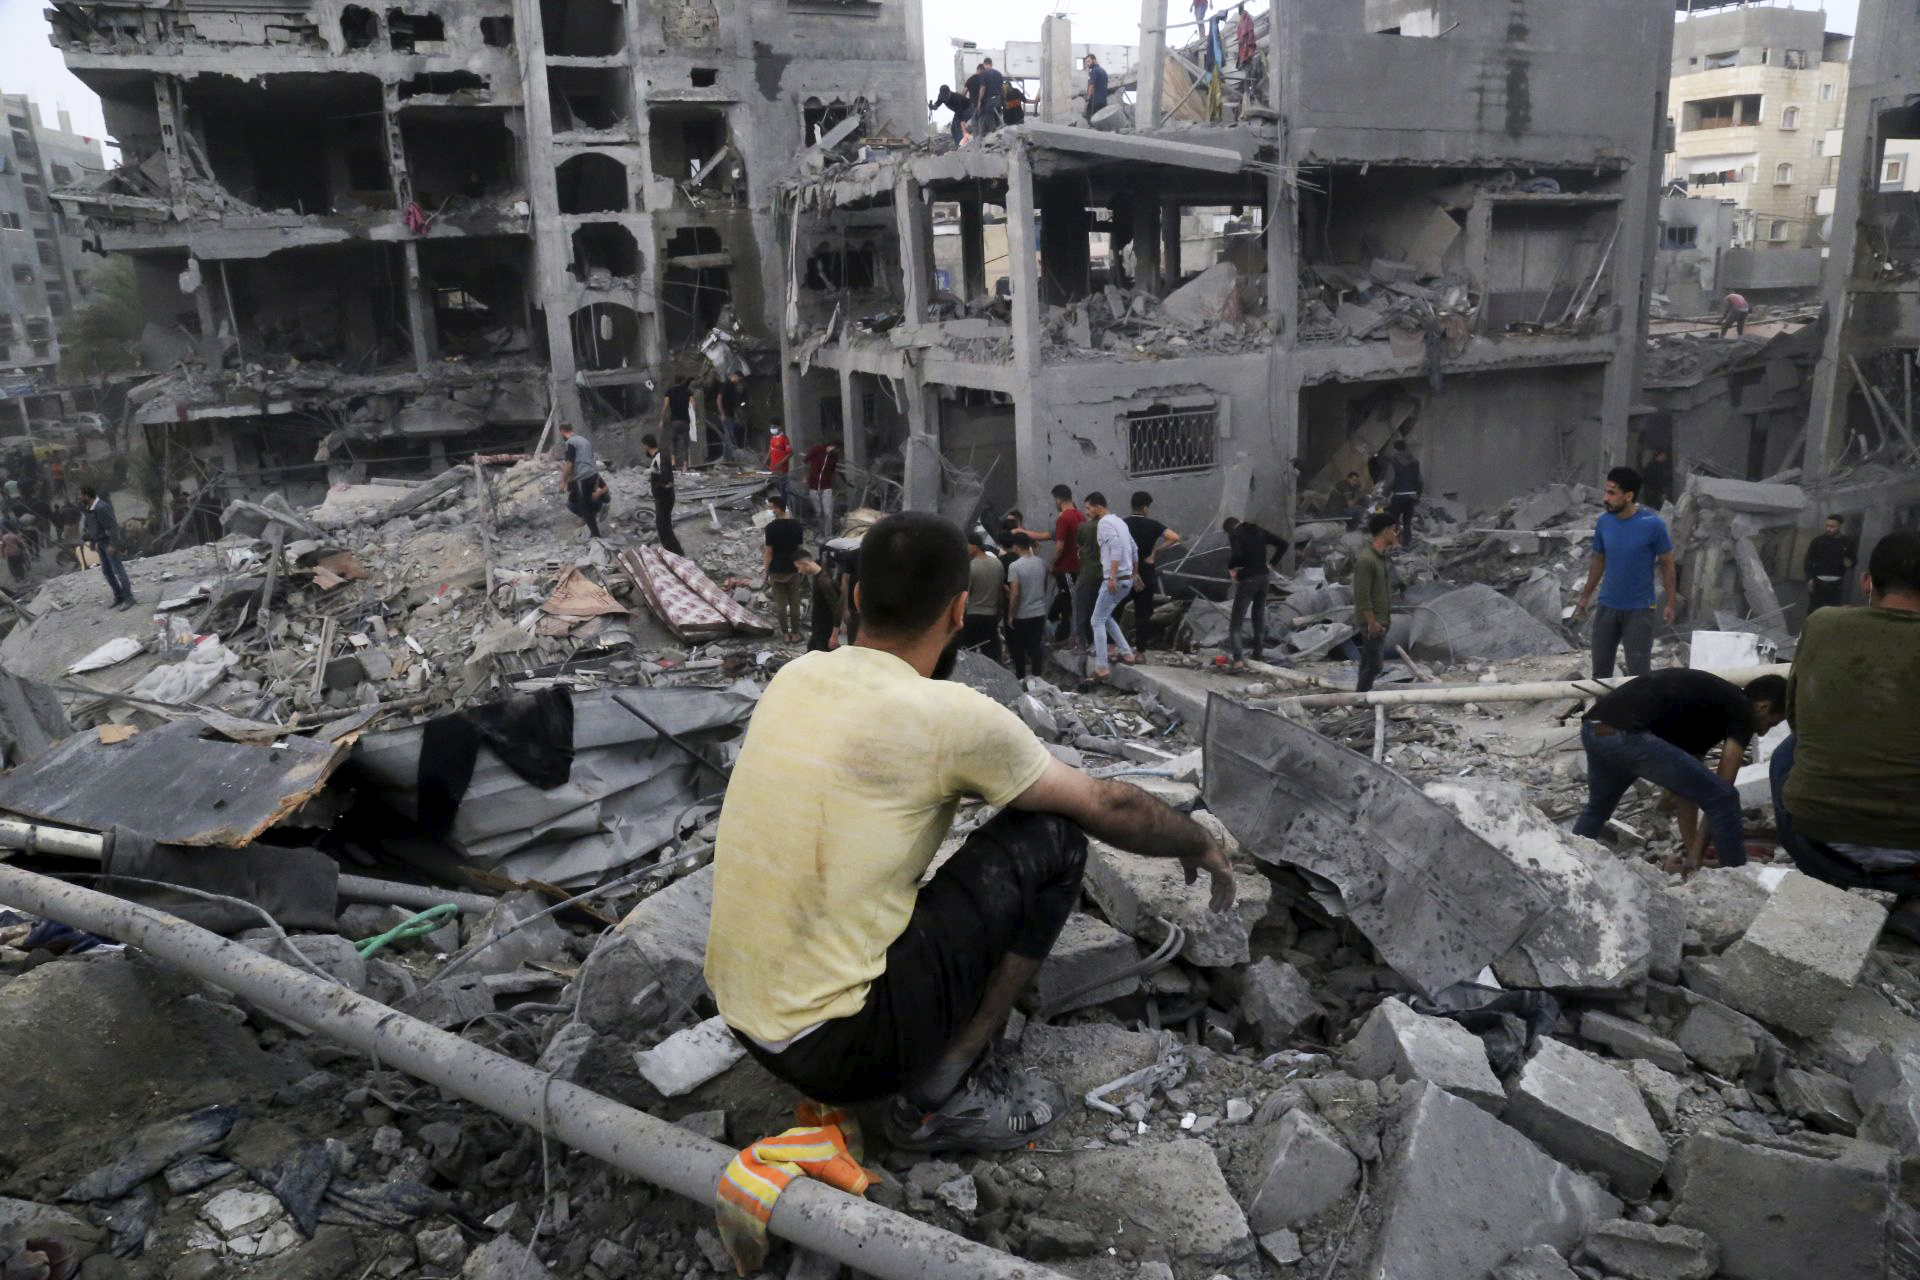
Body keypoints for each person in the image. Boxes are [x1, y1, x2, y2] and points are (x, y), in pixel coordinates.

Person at [703, 510, 1236, 1151]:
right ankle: (941, 1095)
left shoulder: (795, 676)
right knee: (1055, 838)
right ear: (960, 609)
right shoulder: (950, 715)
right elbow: (1108, 805)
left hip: (744, 1020)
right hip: (842, 1052)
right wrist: (1197, 840)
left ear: (855, 594)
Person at [1770, 531, 1920, 939]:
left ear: (1867, 582)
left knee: (1787, 753)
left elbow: (1798, 721)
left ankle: (1832, 888)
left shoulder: (1823, 624)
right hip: (1913, 864)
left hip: (1819, 848)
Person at [1573, 669, 1784, 875]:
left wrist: (1694, 854)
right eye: (1771, 723)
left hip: (1595, 728)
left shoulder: (1711, 705)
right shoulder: (1743, 711)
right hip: (1626, 734)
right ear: (1763, 707)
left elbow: (1686, 791)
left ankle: (1572, 865)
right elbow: (1723, 792)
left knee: (1597, 810)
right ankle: (1738, 879)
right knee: (1724, 798)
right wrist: (1701, 853)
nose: (1763, 732)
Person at [1574, 467, 1677, 679]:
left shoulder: (1653, 525)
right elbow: (1599, 560)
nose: (1605, 498)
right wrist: (1584, 597)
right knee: (1600, 675)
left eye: (1612, 493)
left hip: (1639, 610)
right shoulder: (1604, 522)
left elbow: (1667, 564)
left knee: (1638, 676)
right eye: (1606, 491)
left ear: (1629, 496)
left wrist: (1671, 602)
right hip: (1607, 607)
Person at [1019, 485, 1083, 643]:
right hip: (1077, 567)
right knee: (1066, 600)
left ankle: (1071, 637)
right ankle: (1063, 634)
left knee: (1069, 602)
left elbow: (1059, 547)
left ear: (1058, 498)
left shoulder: (1063, 518)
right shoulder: (1080, 516)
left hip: (1066, 568)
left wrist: (1051, 564)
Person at [1222, 516, 1286, 671]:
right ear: (1239, 521)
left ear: (1229, 530)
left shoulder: (1235, 534)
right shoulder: (1258, 530)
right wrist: (1272, 564)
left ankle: (1238, 661)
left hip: (1248, 580)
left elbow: (1237, 556)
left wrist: (1232, 568)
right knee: (1258, 619)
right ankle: (1258, 655)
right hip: (1264, 578)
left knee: (1236, 623)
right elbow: (1283, 544)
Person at [1085, 493, 1137, 680]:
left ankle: (1101, 667)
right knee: (1104, 617)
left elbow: (1117, 547)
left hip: (1114, 579)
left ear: (1098, 507)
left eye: (1088, 508)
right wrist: (1135, 573)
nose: (1087, 512)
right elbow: (1134, 547)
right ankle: (1127, 653)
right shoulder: (1120, 522)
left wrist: (1112, 577)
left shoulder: (1104, 523)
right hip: (1126, 578)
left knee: (1096, 621)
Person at [1123, 491, 1179, 651]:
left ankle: (1117, 647)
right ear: (1145, 508)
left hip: (1126, 571)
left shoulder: (1122, 524)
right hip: (1146, 571)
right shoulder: (1153, 525)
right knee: (1143, 612)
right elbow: (1174, 537)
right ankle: (1140, 651)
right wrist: (1156, 550)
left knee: (1118, 609)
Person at [1352, 513, 1398, 693]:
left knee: (1367, 662)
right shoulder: (1366, 560)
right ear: (1385, 531)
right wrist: (1372, 622)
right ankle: (1360, 701)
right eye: (1393, 530)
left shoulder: (1380, 558)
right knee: (1375, 665)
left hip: (1380, 620)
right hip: (1373, 622)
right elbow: (1362, 595)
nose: (1395, 534)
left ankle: (1359, 698)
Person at [78, 485, 133, 610]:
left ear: (87, 496)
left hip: (108, 542)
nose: (79, 498)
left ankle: (128, 598)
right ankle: (119, 596)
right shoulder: (91, 508)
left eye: (80, 495)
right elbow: (94, 528)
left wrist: (113, 544)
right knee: (107, 571)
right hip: (101, 543)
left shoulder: (101, 507)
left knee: (118, 571)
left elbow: (113, 527)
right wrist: (94, 543)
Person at [1005, 532, 1050, 680]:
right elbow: (1044, 584)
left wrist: (1011, 614)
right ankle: (1038, 677)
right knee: (1036, 646)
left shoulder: (1015, 566)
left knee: (1019, 648)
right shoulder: (1041, 563)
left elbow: (1015, 593)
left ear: (1016, 547)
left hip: (1022, 613)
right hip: (1039, 611)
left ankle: (1021, 678)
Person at [957, 532, 1007, 663]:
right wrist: (999, 611)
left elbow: (965, 595)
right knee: (991, 652)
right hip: (991, 615)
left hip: (973, 614)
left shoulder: (971, 567)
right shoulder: (997, 564)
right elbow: (1000, 591)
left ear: (974, 546)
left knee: (966, 652)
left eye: (967, 545)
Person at [763, 495, 806, 644]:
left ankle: (785, 634)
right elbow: (800, 548)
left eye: (771, 508)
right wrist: (802, 566)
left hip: (776, 570)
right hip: (793, 569)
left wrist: (766, 571)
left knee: (780, 605)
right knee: (794, 603)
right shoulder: (797, 525)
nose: (771, 511)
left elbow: (769, 552)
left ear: (778, 508)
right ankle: (796, 633)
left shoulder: (770, 528)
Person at [636, 435, 684, 556]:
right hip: (664, 497)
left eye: (643, 446)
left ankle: (675, 553)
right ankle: (674, 552)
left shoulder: (659, 457)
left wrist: (660, 489)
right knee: (664, 526)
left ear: (646, 445)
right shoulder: (660, 456)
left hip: (664, 498)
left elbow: (666, 478)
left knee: (664, 528)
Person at [1803, 513, 1855, 617]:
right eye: (1827, 525)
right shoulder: (1818, 541)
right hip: (1818, 582)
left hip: (1836, 584)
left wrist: (1848, 563)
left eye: (1832, 526)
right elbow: (1808, 560)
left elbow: (1853, 561)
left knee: (1832, 612)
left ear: (1840, 526)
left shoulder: (1846, 542)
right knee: (1813, 611)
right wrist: (1810, 578)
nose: (1828, 529)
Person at [559, 423, 602, 539]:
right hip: (592, 474)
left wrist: (563, 481)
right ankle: (588, 515)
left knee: (585, 506)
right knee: (573, 500)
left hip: (583, 477)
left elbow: (569, 463)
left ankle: (596, 536)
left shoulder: (570, 443)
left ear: (562, 431)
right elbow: (590, 458)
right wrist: (570, 481)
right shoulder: (584, 440)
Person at [796, 551, 843, 653]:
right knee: (811, 651)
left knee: (822, 655)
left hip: (825, 628)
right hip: (817, 627)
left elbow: (837, 608)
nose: (799, 571)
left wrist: (834, 635)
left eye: (798, 567)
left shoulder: (825, 581)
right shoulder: (818, 574)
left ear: (805, 564)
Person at [1385, 439, 1422, 546]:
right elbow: (1420, 480)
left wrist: (1385, 494)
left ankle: (1394, 543)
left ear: (1395, 449)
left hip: (1398, 496)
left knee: (1393, 520)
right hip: (1411, 496)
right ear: (1405, 448)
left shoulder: (1393, 463)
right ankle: (1406, 543)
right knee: (1407, 521)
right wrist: (1418, 495)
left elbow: (1390, 481)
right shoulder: (1415, 462)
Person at [805, 442, 840, 541]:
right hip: (814, 486)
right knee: (819, 512)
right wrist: (806, 476)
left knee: (828, 512)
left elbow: (832, 471)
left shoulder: (834, 457)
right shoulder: (817, 450)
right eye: (832, 447)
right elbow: (805, 461)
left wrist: (833, 486)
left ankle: (828, 535)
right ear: (829, 445)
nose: (833, 450)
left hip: (826, 487)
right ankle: (822, 533)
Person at [967, 58, 1005, 138]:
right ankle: (1000, 136)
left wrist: (979, 101)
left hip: (989, 102)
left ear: (984, 64)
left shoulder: (984, 74)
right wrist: (1004, 100)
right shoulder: (999, 74)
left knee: (990, 123)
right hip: (998, 100)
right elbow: (1002, 88)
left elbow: (983, 88)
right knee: (998, 120)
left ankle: (993, 137)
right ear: (991, 64)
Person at [661, 375, 695, 461]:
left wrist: (662, 420)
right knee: (685, 443)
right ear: (682, 381)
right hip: (685, 420)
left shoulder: (669, 391)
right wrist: (693, 416)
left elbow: (665, 406)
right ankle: (685, 464)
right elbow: (693, 403)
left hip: (674, 421)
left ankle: (673, 462)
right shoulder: (687, 391)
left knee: (673, 441)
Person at [719, 371, 748, 458]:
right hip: (726, 415)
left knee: (730, 436)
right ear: (734, 376)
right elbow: (718, 399)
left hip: (731, 415)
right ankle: (727, 457)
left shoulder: (733, 387)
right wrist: (722, 414)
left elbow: (734, 402)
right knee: (728, 436)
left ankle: (729, 457)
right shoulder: (725, 384)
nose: (739, 381)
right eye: (739, 379)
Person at [767, 423, 793, 510]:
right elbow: (770, 451)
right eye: (771, 427)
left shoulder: (784, 439)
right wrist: (764, 463)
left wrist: (780, 463)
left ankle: (786, 509)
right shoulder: (772, 438)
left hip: (782, 470)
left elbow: (790, 453)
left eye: (774, 427)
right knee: (776, 490)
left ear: (779, 427)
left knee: (783, 491)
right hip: (773, 470)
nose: (772, 429)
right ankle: (778, 509)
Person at [1083, 54, 1109, 120]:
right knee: (1101, 121)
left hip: (1095, 102)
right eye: (1086, 62)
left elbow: (1091, 85)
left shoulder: (1094, 71)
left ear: (1094, 60)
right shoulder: (1103, 70)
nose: (1087, 64)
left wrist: (1087, 100)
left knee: (1091, 120)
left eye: (1088, 61)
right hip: (1103, 101)